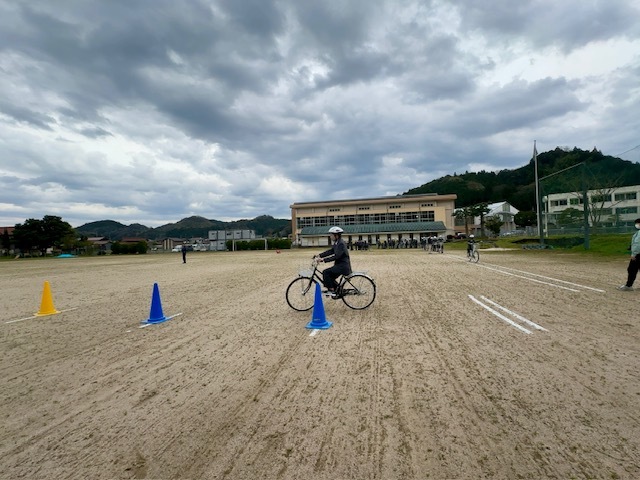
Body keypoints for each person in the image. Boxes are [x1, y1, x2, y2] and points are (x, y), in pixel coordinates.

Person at [314, 226, 352, 298]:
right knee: (329, 276)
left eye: (331, 235)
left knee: (326, 272)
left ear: (336, 235)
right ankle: (338, 290)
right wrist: (319, 255)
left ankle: (331, 290)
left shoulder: (341, 243)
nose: (330, 236)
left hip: (342, 266)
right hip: (340, 265)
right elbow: (331, 251)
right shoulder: (337, 242)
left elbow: (336, 256)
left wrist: (323, 260)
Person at [617, 218, 640, 291]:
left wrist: (634, 253)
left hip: (638, 254)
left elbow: (637, 244)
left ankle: (629, 286)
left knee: (632, 269)